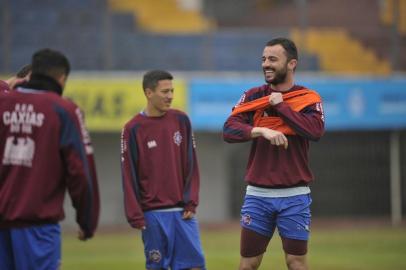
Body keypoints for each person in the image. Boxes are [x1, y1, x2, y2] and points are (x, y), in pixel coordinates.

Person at [223, 38, 325, 270]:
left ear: (291, 64)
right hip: (257, 195)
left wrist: (281, 106)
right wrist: (260, 131)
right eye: (263, 59)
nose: (266, 64)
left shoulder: (308, 99)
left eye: (272, 59)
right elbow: (229, 129)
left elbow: (315, 131)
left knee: (296, 263)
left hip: (294, 196)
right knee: (248, 264)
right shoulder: (253, 96)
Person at [0, 49, 100, 270]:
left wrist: (7, 85)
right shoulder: (64, 110)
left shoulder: (4, 102)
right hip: (38, 226)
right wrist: (87, 220)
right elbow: (80, 172)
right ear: (62, 78)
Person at [121, 70, 206, 270]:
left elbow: (191, 165)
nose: (170, 96)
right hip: (153, 215)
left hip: (182, 212)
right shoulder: (132, 128)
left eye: (172, 91)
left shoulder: (181, 120)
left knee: (195, 266)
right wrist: (135, 214)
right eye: (165, 91)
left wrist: (191, 202)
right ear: (149, 93)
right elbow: (128, 174)